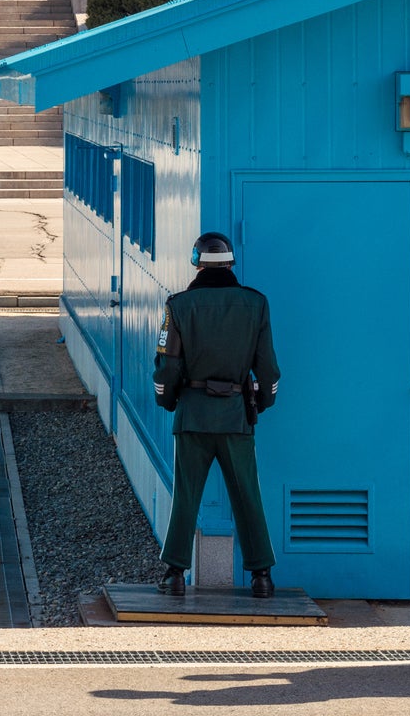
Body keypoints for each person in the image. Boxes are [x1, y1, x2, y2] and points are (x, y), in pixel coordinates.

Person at [151, 231, 279, 598]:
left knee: (187, 496)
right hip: (236, 417)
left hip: (192, 415)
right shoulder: (256, 304)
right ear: (230, 263)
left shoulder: (177, 306)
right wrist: (262, 403)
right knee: (247, 495)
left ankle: (175, 573)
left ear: (196, 263)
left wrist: (167, 399)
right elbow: (268, 368)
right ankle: (262, 577)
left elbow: (167, 367)